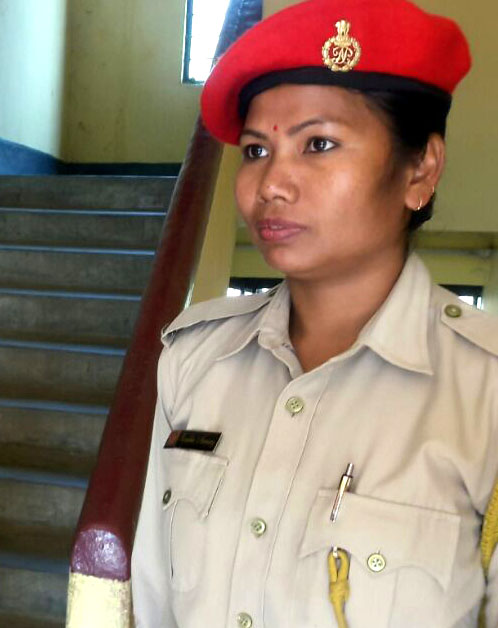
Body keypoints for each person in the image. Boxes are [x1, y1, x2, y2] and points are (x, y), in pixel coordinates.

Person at [130, 0, 493, 626]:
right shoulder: (194, 360)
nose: (271, 183)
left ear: (420, 171)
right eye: (255, 151)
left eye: (318, 144)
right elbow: (149, 599)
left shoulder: (484, 393)